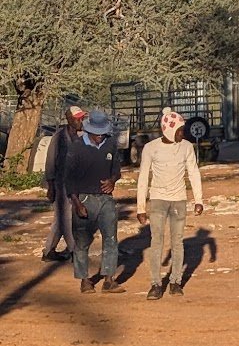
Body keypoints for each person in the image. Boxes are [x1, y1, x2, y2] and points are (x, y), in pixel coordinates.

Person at [136, 108, 204, 300]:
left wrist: (198, 200)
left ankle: (175, 281)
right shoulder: (151, 148)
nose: (183, 134)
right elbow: (143, 177)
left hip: (179, 200)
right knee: (156, 242)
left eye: (183, 130)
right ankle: (156, 284)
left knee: (177, 242)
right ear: (167, 130)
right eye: (180, 130)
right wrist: (141, 207)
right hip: (157, 200)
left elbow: (193, 172)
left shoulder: (187, 147)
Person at [61, 109, 123, 293]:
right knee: (82, 241)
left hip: (106, 199)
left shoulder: (110, 144)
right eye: (97, 134)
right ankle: (84, 279)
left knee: (111, 238)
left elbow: (117, 170)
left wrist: (113, 181)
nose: (100, 137)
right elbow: (68, 178)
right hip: (83, 198)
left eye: (102, 133)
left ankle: (109, 279)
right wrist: (76, 203)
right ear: (89, 131)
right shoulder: (76, 147)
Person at [41, 105, 87, 263]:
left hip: (77, 183)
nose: (81, 121)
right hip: (61, 184)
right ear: (69, 119)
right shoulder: (59, 137)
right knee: (66, 218)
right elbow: (50, 161)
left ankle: (48, 251)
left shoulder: (83, 138)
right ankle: (74, 250)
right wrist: (50, 185)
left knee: (61, 219)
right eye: (78, 118)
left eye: (82, 118)